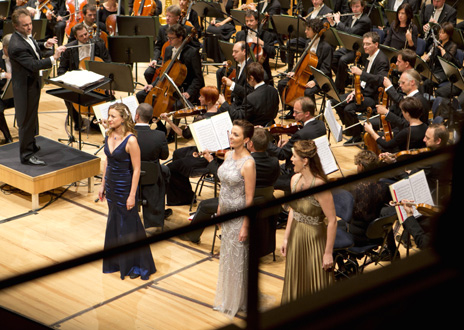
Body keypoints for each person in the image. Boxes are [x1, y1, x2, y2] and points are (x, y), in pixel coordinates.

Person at [182, 127, 280, 248]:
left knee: (203, 206)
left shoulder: (247, 162)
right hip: (265, 200)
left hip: (240, 203)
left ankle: (192, 236)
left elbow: (223, 177)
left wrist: (211, 160)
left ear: (250, 144)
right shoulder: (274, 161)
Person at [98, 103, 156, 280]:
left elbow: (137, 170)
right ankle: (117, 261)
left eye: (113, 116)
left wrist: (132, 195)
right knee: (114, 223)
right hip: (112, 187)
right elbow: (107, 161)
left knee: (129, 226)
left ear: (123, 118)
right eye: (109, 115)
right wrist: (102, 185)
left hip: (125, 188)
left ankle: (135, 264)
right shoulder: (108, 134)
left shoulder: (131, 140)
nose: (109, 119)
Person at [280, 139, 336, 303]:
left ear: (305, 161)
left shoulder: (319, 185)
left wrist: (327, 253)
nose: (291, 160)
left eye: (294, 156)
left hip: (314, 239)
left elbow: (332, 221)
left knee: (315, 282)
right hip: (296, 235)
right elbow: (293, 210)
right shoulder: (294, 180)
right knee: (296, 279)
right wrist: (286, 237)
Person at [9, 7, 66, 165]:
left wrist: (45, 45)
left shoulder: (24, 37)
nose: (29, 27)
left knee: (32, 118)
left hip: (32, 84)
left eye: (30, 24)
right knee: (26, 121)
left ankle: (31, 145)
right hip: (24, 88)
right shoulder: (16, 46)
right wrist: (53, 58)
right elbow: (33, 64)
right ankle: (26, 155)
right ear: (16, 26)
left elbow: (33, 47)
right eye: (25, 25)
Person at [214, 119, 256, 318]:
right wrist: (220, 208)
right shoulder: (228, 154)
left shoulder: (248, 164)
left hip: (240, 216)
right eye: (231, 133)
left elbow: (250, 197)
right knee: (228, 257)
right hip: (227, 213)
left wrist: (246, 225)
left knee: (238, 259)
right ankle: (228, 297)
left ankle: (239, 300)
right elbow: (224, 185)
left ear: (246, 139)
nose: (231, 136)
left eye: (236, 135)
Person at [163, 86, 221, 206]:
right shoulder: (221, 112)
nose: (199, 99)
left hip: (205, 157)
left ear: (209, 101)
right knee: (177, 153)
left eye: (202, 97)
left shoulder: (201, 118)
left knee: (172, 167)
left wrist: (169, 121)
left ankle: (183, 197)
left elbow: (183, 134)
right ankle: (184, 191)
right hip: (214, 153)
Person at [335, 31, 389, 146]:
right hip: (363, 91)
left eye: (368, 44)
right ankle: (352, 129)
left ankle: (356, 134)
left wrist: (361, 73)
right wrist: (355, 91)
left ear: (376, 44)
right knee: (336, 100)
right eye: (364, 44)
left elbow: (380, 80)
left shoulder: (382, 60)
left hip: (373, 97)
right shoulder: (367, 55)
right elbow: (365, 79)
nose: (364, 46)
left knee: (348, 109)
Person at [137, 23, 204, 110]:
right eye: (168, 38)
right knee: (141, 95)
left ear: (180, 38)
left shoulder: (192, 53)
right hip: (166, 88)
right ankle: (158, 123)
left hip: (184, 89)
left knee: (177, 105)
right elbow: (163, 72)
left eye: (171, 38)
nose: (169, 41)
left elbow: (198, 78)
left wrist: (189, 92)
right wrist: (152, 85)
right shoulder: (168, 50)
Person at [58, 23, 111, 131]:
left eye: (86, 34)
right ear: (76, 37)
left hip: (97, 81)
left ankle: (96, 122)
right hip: (77, 81)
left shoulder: (98, 44)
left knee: (110, 96)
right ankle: (78, 121)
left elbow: (108, 63)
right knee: (67, 95)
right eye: (81, 36)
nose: (85, 37)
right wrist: (67, 80)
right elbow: (62, 69)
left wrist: (109, 85)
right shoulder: (70, 48)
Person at [267, 96, 326, 193]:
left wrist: (265, 142)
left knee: (268, 180)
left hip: (297, 172)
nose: (293, 115)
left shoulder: (300, 134)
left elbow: (282, 154)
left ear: (307, 113)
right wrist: (291, 142)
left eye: (297, 112)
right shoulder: (320, 124)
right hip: (315, 168)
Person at [278, 18, 333, 118]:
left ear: (316, 31)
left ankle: (310, 116)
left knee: (307, 91)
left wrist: (315, 82)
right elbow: (303, 62)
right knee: (282, 84)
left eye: (308, 29)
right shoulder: (308, 43)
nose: (305, 31)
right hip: (305, 74)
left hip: (319, 78)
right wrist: (294, 71)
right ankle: (292, 110)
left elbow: (326, 69)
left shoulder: (326, 47)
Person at [134, 103, 170, 229]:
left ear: (137, 116)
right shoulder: (159, 135)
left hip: (130, 174)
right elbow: (164, 156)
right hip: (152, 177)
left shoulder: (127, 134)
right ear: (150, 118)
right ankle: (156, 217)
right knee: (165, 172)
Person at [328, 0, 372, 95]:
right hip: (349, 47)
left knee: (342, 60)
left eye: (357, 7)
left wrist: (338, 21)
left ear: (362, 7)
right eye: (352, 7)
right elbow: (342, 30)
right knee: (332, 57)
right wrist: (333, 23)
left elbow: (350, 31)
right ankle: (346, 79)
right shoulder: (350, 17)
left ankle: (339, 89)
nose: (354, 9)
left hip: (360, 50)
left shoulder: (365, 20)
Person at [218, 62, 279, 127]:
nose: (247, 80)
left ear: (252, 78)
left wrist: (224, 103)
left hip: (254, 131)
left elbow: (237, 117)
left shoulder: (250, 99)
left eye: (247, 78)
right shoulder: (273, 90)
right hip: (269, 126)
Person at [364, 97, 428, 153]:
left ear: (407, 113)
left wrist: (371, 132)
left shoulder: (406, 131)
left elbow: (387, 145)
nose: (402, 113)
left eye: (402, 111)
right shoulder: (426, 126)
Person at [377, 69, 430, 134]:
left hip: (411, 135)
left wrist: (386, 113)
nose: (400, 85)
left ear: (412, 82)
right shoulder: (412, 97)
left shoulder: (418, 101)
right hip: (403, 130)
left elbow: (406, 125)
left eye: (403, 82)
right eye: (400, 83)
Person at [234, 10, 276, 85]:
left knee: (265, 78)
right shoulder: (240, 34)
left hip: (259, 69)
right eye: (246, 21)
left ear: (257, 21)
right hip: (242, 65)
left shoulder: (266, 35)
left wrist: (262, 43)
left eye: (251, 21)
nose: (248, 23)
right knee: (220, 72)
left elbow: (273, 52)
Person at [421, 22, 460, 96]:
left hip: (445, 72)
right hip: (436, 68)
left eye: (442, 33)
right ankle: (425, 99)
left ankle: (429, 101)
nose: (440, 34)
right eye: (440, 32)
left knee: (427, 82)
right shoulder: (438, 43)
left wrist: (441, 49)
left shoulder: (453, 46)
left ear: (448, 34)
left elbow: (446, 60)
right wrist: (429, 56)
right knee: (421, 77)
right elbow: (432, 58)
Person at [217, 41, 254, 107]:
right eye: (233, 51)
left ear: (244, 52)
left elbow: (249, 93)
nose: (233, 54)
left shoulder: (251, 68)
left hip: (242, 107)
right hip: (235, 103)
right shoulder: (240, 64)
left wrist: (232, 84)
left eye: (236, 52)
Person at [0, 34, 14, 144]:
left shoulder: (18, 55)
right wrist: (4, 75)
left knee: (31, 101)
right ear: (4, 47)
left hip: (16, 92)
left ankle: (33, 136)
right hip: (1, 93)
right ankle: (8, 137)